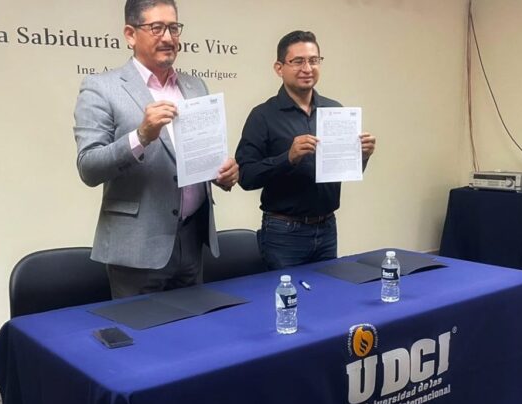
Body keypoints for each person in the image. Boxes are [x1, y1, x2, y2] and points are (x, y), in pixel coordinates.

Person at [73, 0, 239, 298]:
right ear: (130, 34)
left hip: (192, 239)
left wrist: (222, 173)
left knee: (194, 325)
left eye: (173, 28)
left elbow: (198, 156)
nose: (168, 37)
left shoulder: (195, 86)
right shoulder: (101, 87)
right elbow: (89, 167)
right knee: (141, 328)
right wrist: (141, 136)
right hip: (137, 248)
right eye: (156, 28)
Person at [235, 30, 376, 270]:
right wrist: (288, 158)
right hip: (283, 232)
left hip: (327, 227)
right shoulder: (263, 116)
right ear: (279, 68)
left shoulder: (335, 111)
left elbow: (342, 170)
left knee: (326, 292)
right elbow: (246, 177)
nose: (307, 68)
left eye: (314, 60)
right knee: (287, 294)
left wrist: (361, 156)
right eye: (298, 61)